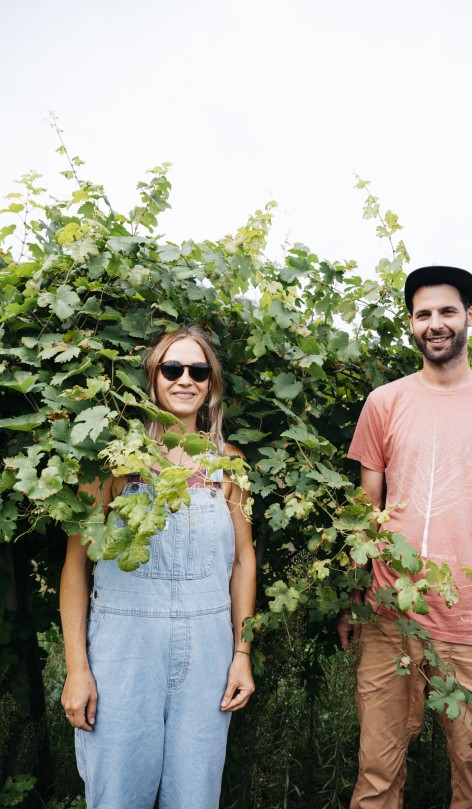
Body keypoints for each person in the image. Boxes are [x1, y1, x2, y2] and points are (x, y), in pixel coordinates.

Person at [339, 267, 472, 809]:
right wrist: (355, 598)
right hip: (388, 621)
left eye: (447, 312)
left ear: (470, 317)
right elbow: (367, 510)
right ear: (411, 323)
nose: (435, 324)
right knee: (375, 782)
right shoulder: (384, 403)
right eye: (423, 314)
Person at [60, 325, 256, 809]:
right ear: (153, 379)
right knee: (116, 797)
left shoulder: (231, 464)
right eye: (172, 368)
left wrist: (242, 653)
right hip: (124, 649)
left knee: (194, 796)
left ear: (211, 384)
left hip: (208, 649)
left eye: (198, 370)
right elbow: (75, 568)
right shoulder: (115, 463)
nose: (184, 379)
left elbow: (244, 560)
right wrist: (77, 668)